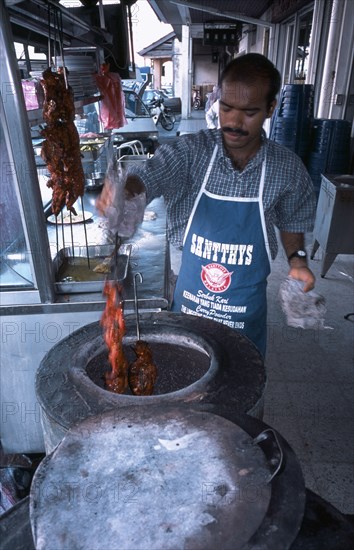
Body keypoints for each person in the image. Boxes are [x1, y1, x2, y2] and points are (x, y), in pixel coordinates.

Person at [97, 53, 316, 357]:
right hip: (189, 304)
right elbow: (151, 175)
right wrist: (124, 191)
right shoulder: (192, 152)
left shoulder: (286, 168)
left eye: (249, 112)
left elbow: (293, 220)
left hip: (244, 315)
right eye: (226, 108)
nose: (234, 122)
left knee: (240, 388)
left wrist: (299, 262)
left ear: (271, 108)